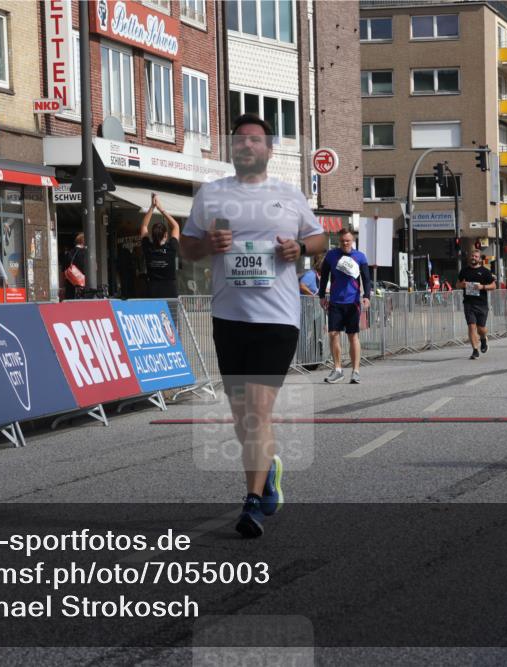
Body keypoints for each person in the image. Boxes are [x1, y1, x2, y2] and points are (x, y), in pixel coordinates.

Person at [180, 113, 326, 539]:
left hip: (277, 319)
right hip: (229, 318)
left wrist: (299, 246)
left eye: (255, 140)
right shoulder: (211, 195)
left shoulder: (289, 194)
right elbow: (187, 248)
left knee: (258, 412)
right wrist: (207, 244)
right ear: (232, 149)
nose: (247, 146)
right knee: (243, 416)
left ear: (269, 149)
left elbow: (319, 239)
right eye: (240, 140)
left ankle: (251, 502)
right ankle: (269, 472)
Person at [318, 229, 371, 384]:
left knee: (353, 336)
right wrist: (322, 296)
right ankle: (338, 369)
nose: (345, 243)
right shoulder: (332, 255)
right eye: (342, 241)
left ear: (352, 240)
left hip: (353, 303)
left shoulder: (360, 257)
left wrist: (367, 296)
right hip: (335, 302)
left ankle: (355, 371)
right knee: (333, 334)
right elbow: (324, 277)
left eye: (347, 241)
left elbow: (366, 279)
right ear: (338, 241)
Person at [456, 249, 496, 360]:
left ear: (479, 259)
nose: (473, 258)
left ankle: (483, 338)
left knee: (481, 329)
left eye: (476, 256)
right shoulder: (464, 271)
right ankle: (475, 350)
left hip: (481, 304)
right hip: (468, 303)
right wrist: (462, 285)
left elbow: (493, 286)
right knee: (471, 326)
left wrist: (482, 287)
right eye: (472, 256)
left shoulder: (485, 271)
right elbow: (457, 284)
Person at [140, 193, 181, 298]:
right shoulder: (171, 248)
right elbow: (176, 226)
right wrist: (161, 209)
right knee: (171, 314)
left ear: (152, 236)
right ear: (166, 235)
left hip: (152, 291)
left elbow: (144, 226)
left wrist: (152, 207)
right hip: (170, 292)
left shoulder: (148, 248)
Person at [62, 233, 86, 300]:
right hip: (82, 285)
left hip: (70, 285)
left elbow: (64, 270)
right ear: (83, 242)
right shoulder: (85, 253)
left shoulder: (69, 253)